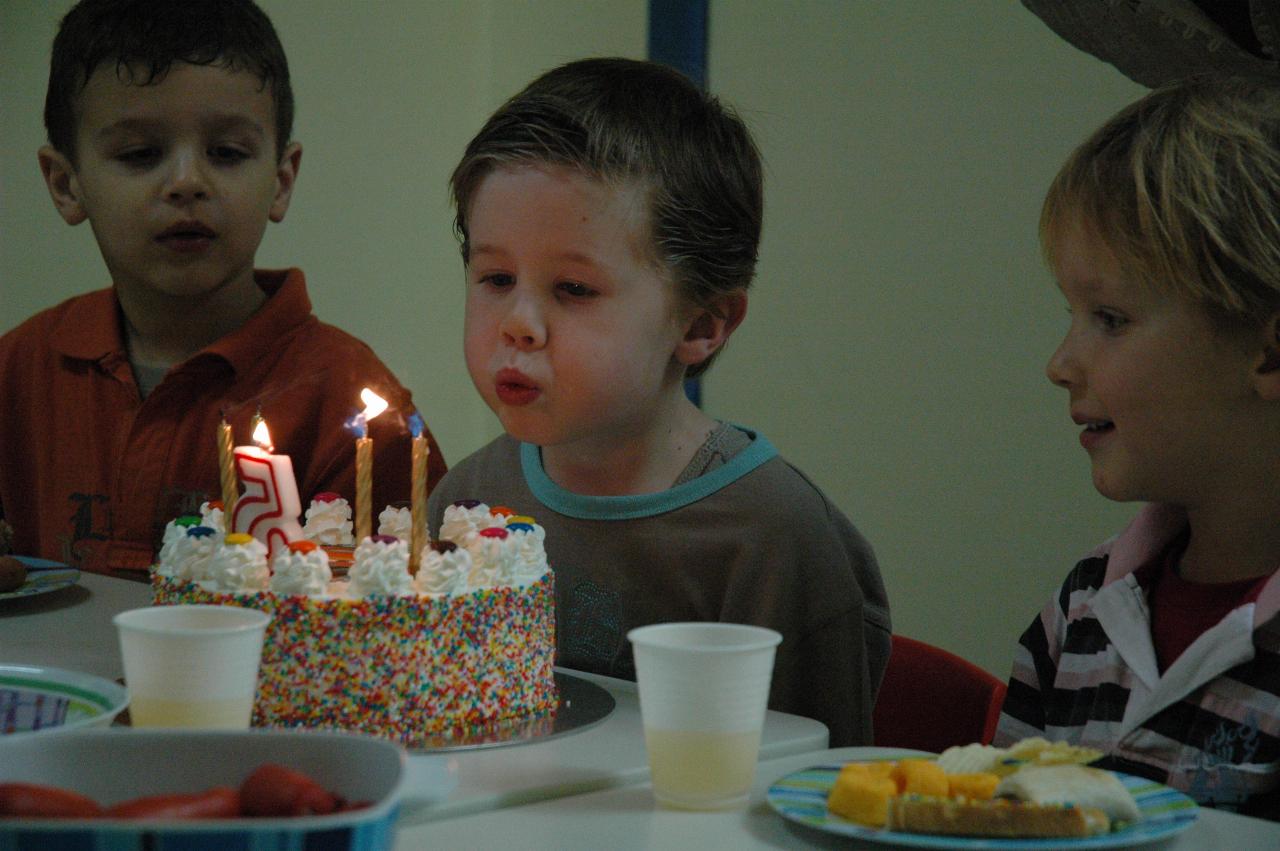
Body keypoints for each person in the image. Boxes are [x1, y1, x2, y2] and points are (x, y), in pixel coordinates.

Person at [427, 57, 891, 747]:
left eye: (573, 289)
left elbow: (814, 795)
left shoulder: (774, 540)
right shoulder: (465, 500)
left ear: (702, 324)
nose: (518, 322)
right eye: (496, 276)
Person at [0, 0, 445, 578]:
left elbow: (403, 616)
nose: (187, 182)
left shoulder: (349, 406)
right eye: (140, 154)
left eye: (227, 153)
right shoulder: (18, 372)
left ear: (281, 182)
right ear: (66, 185)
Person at [996, 75, 1280, 817]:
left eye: (1111, 318)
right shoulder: (1080, 607)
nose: (1060, 363)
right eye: (1073, 313)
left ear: (1270, 353)